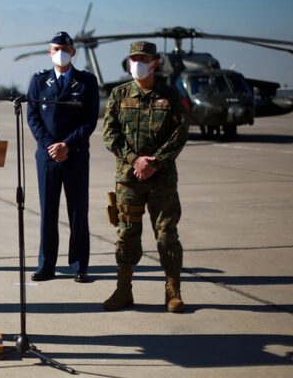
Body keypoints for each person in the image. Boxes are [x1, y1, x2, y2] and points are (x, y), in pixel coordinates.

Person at [102, 41, 189, 312]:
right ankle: (123, 290)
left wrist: (156, 162)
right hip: (129, 177)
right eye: (133, 58)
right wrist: (135, 160)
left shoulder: (170, 95)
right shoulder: (119, 94)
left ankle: (172, 290)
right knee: (126, 234)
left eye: (143, 58)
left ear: (155, 63)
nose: (137, 63)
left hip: (161, 178)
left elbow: (180, 134)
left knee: (166, 235)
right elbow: (109, 134)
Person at [26, 31, 99, 283]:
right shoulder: (38, 81)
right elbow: (33, 117)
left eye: (65, 48)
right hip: (47, 158)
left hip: (76, 155)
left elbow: (90, 120)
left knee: (78, 211)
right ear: (49, 52)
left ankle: (79, 265)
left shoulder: (86, 81)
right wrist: (51, 146)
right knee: (48, 211)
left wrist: (67, 145)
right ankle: (46, 265)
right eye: (56, 48)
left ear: (73, 52)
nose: (61, 52)